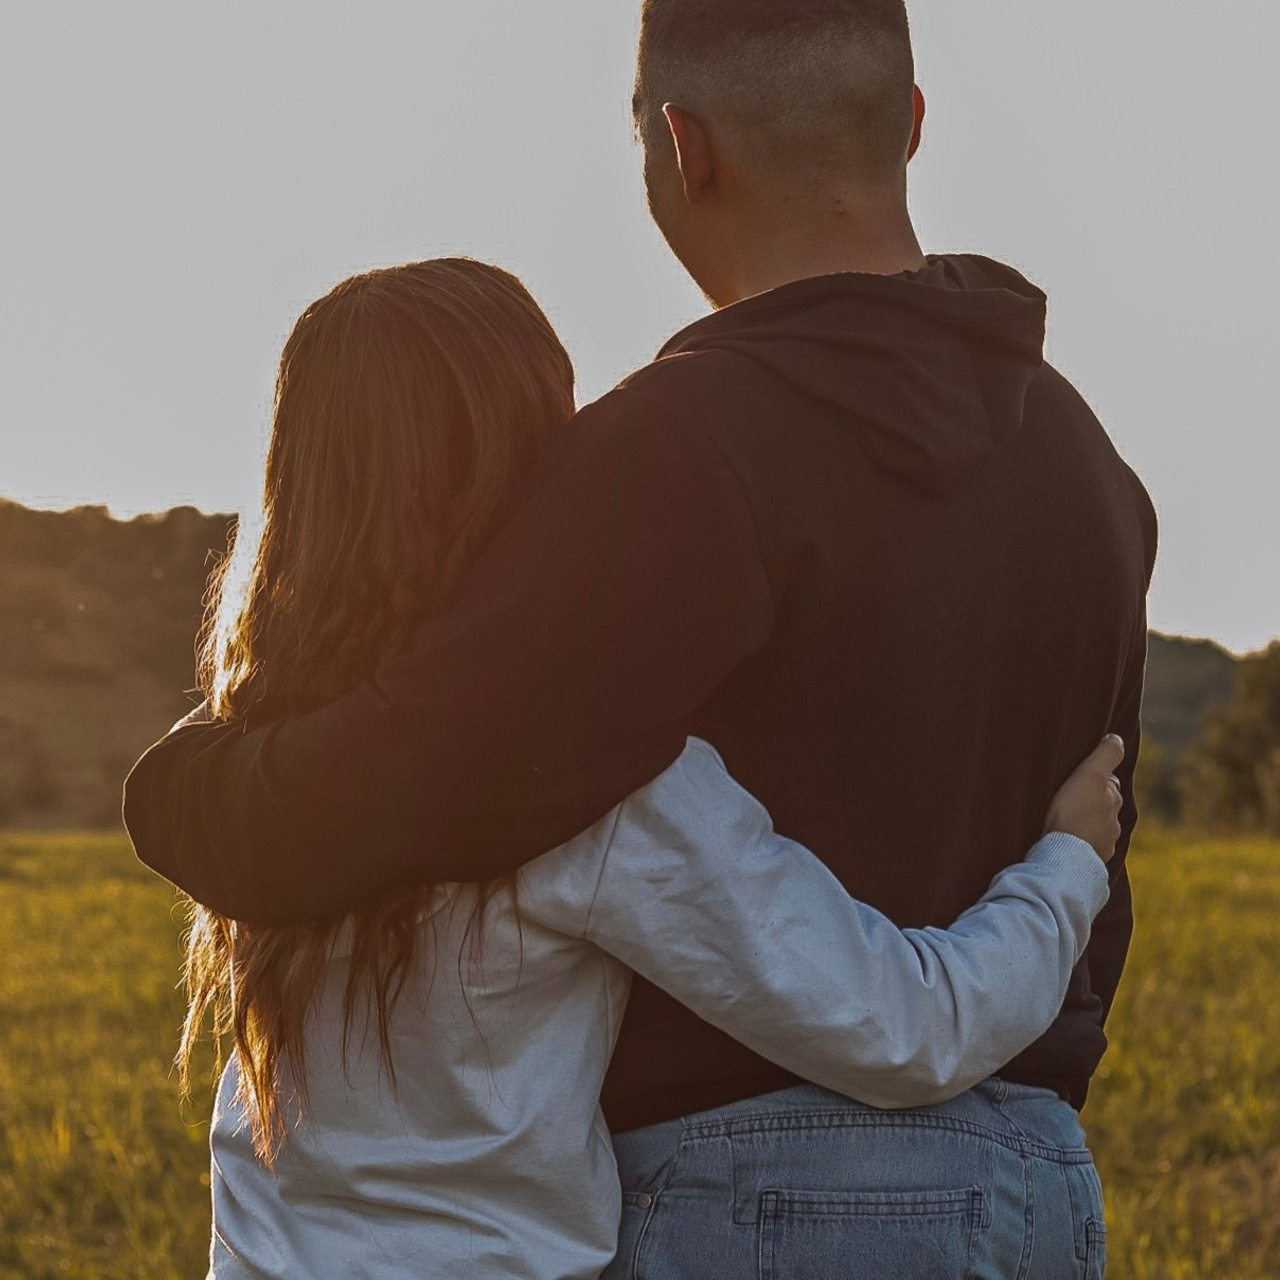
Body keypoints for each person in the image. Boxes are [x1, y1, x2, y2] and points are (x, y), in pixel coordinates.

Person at [126, 1, 1157, 1274]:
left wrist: (185, 783)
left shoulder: (668, 449)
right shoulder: (1093, 472)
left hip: (757, 1189)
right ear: (909, 123)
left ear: (683, 147)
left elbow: (419, 767)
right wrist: (1067, 867)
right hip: (1040, 1172)